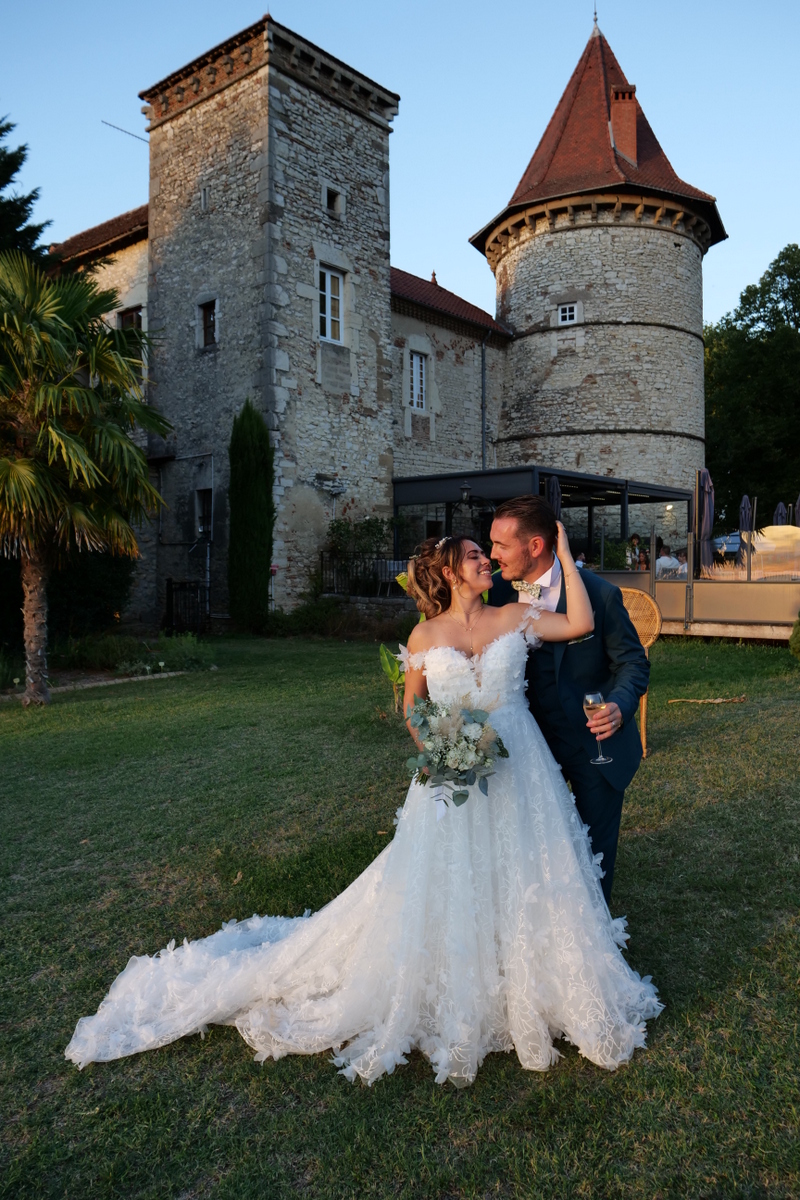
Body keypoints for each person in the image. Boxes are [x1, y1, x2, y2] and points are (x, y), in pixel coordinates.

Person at [65, 526, 661, 1087]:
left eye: (487, 553)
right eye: (475, 556)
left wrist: (560, 545)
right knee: (453, 876)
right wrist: (440, 748)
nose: (487, 561)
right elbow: (413, 707)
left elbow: (580, 620)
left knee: (531, 869)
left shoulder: (513, 616)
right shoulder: (425, 638)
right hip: (454, 770)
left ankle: (538, 980)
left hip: (522, 766)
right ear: (452, 573)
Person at [488, 496, 650, 904]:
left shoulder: (600, 595)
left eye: (501, 546)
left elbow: (633, 663)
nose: (492, 555)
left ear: (536, 546)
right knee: (533, 848)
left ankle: (596, 947)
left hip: (592, 744)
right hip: (527, 746)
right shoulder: (495, 595)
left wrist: (619, 705)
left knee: (595, 851)